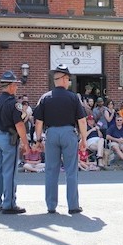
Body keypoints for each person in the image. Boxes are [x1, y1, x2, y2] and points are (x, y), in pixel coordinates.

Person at [33, 64, 87, 215]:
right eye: (68, 79)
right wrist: (84, 139)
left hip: (51, 133)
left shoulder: (45, 97)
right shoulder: (73, 97)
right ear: (64, 79)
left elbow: (38, 122)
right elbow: (82, 120)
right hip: (69, 133)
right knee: (71, 170)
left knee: (51, 170)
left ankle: (51, 206)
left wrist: (38, 140)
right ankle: (73, 205)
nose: (69, 82)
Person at [0, 71, 30, 214]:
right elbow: (19, 125)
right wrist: (26, 143)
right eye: (15, 85)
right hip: (8, 138)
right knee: (9, 172)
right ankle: (9, 204)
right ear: (11, 86)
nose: (16, 88)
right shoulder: (14, 104)